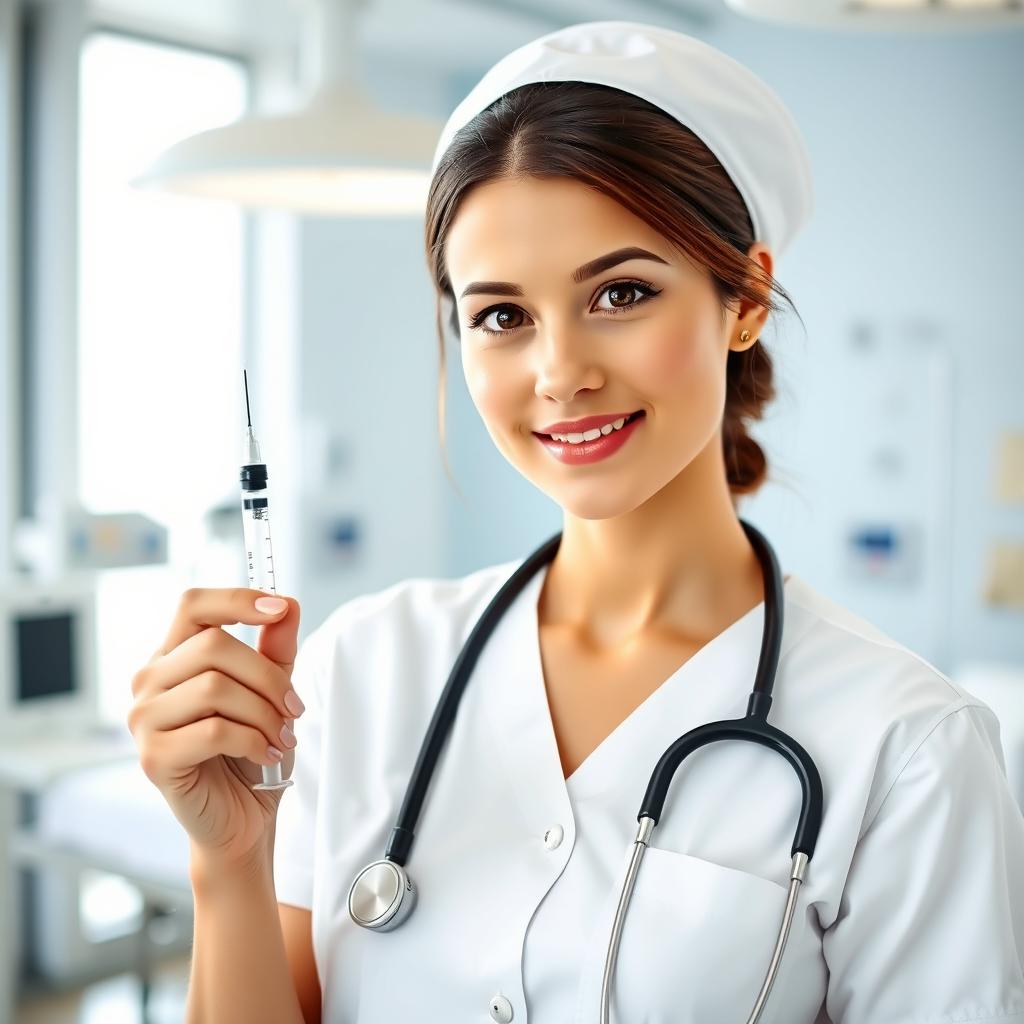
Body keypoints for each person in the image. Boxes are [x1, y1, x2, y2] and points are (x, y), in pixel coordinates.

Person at [125, 20, 1024, 1024]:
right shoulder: (365, 669)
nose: (560, 373)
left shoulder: (907, 747)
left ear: (747, 297)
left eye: (621, 292)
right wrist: (229, 859)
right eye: (502, 315)